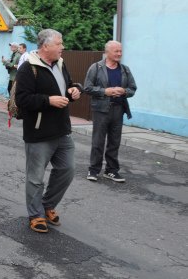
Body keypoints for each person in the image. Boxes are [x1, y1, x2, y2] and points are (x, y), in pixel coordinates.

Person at [14, 29, 82, 234]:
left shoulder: (60, 64)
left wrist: (74, 90)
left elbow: (67, 86)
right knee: (35, 178)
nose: (63, 47)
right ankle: (36, 215)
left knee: (67, 170)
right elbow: (22, 100)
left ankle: (47, 204)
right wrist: (48, 100)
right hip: (38, 132)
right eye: (59, 44)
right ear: (46, 46)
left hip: (62, 129)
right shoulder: (28, 68)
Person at [84, 40, 137, 183]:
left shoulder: (125, 69)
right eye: (116, 51)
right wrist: (105, 91)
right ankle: (93, 170)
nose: (119, 54)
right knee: (98, 141)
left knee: (115, 142)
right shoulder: (96, 68)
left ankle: (111, 171)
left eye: (120, 51)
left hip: (118, 110)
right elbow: (87, 88)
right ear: (107, 52)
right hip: (101, 110)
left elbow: (133, 89)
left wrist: (124, 91)